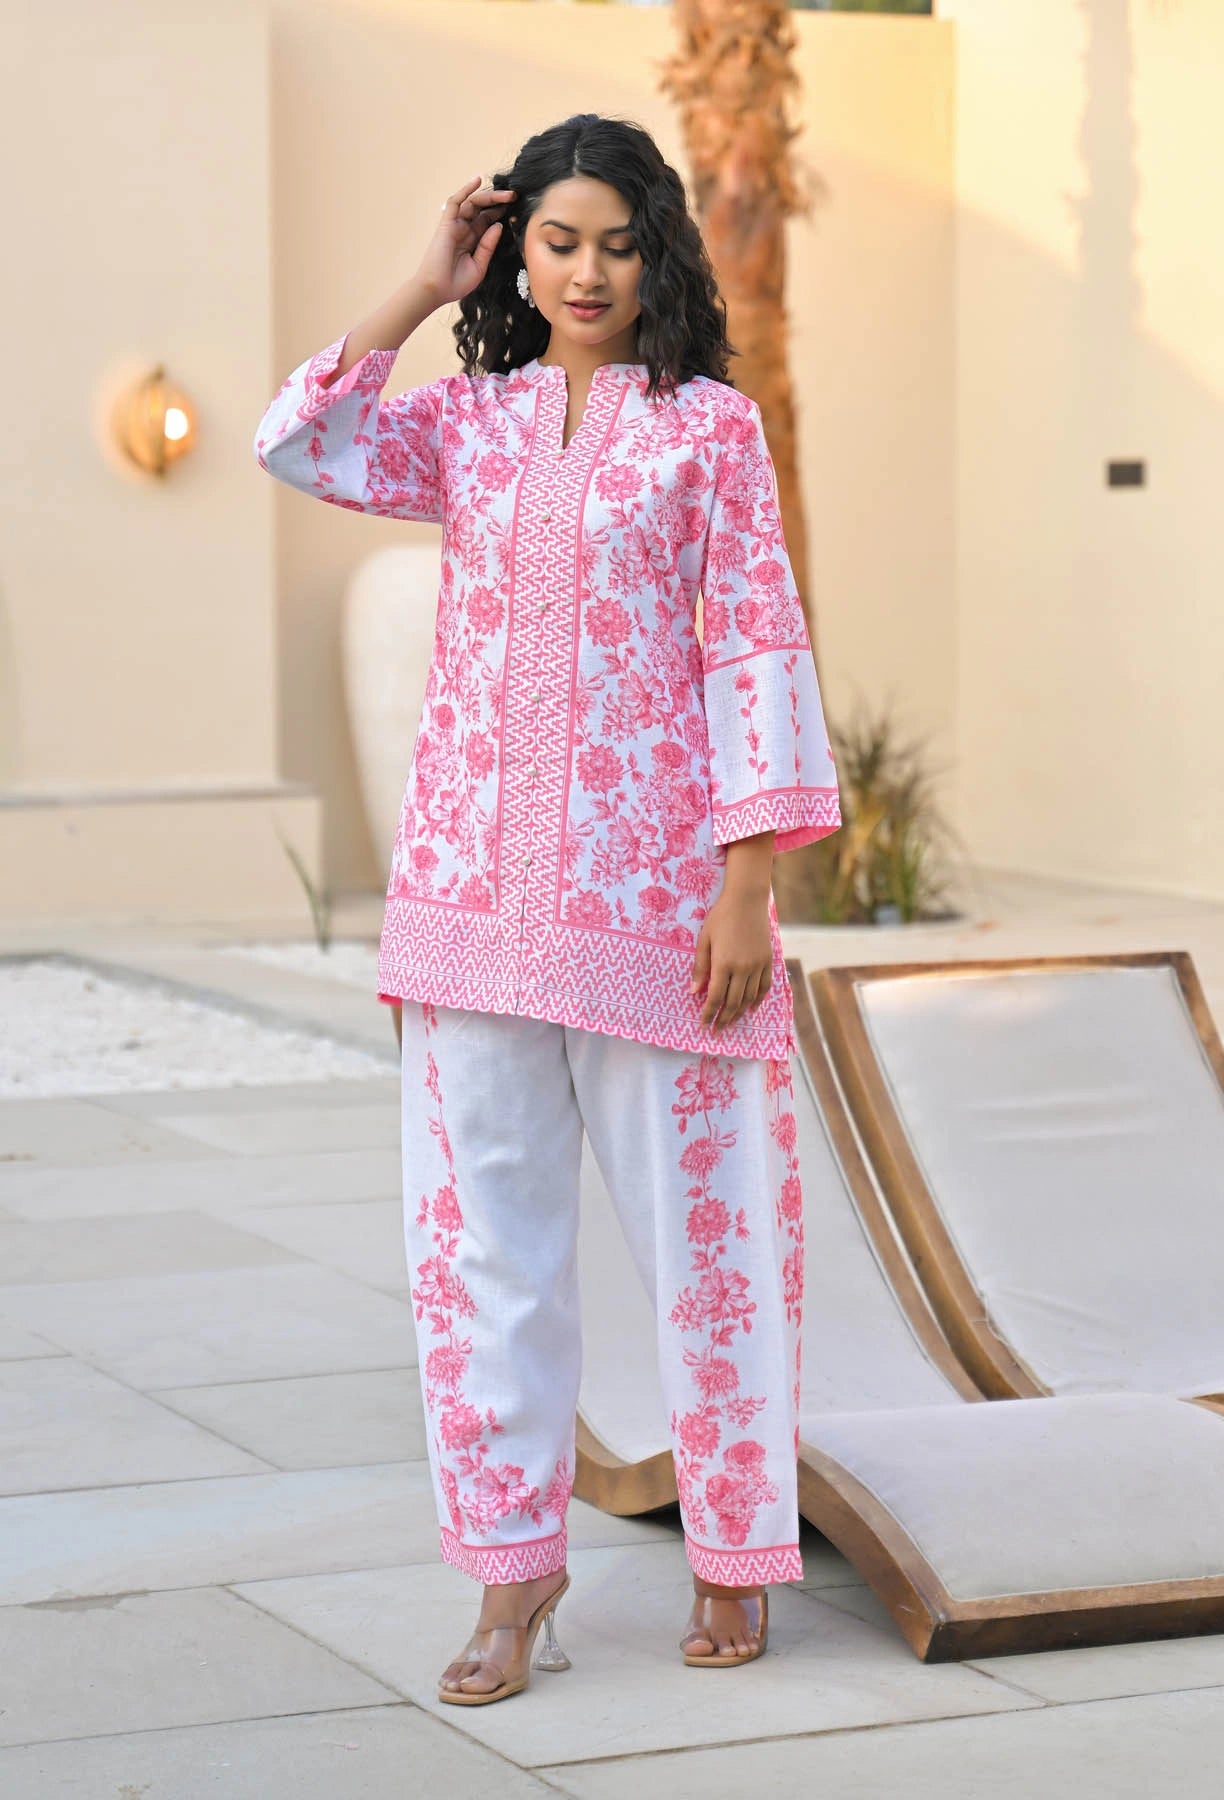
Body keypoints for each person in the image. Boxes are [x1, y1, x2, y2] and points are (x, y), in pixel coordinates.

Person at [254, 112, 840, 1705]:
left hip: (659, 915)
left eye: (618, 240)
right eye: (556, 239)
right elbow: (294, 439)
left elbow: (757, 648)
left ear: (660, 252)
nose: (587, 271)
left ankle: (733, 1540)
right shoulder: (471, 422)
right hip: (467, 910)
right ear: (517, 248)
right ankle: (516, 1584)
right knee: (485, 1262)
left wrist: (746, 884)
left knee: (707, 1246)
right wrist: (417, 287)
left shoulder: (710, 431)